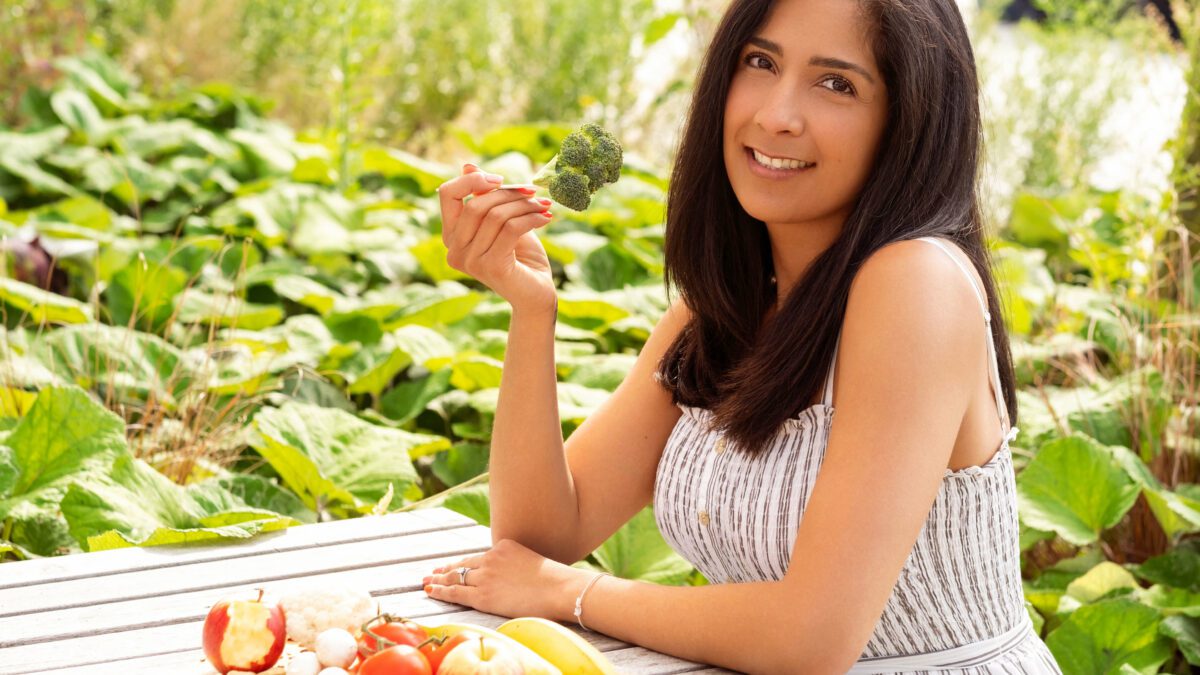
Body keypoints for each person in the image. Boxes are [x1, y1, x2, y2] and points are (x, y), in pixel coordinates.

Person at [424, 0, 1063, 672]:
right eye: (760, 62)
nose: (776, 114)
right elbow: (539, 536)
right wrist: (532, 312)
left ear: (909, 122)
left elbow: (809, 638)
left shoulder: (917, 284)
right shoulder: (726, 307)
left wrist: (573, 592)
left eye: (836, 83)